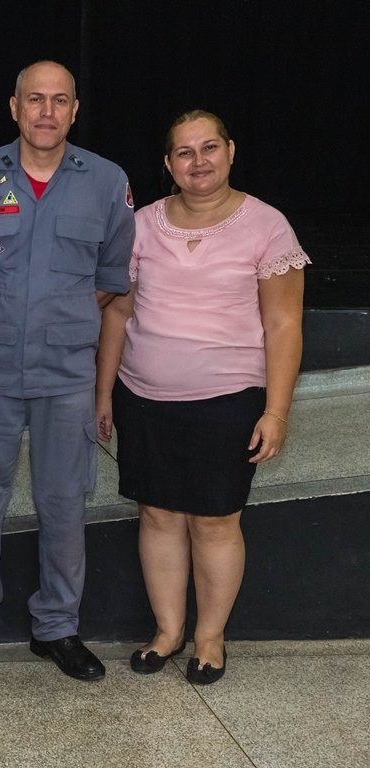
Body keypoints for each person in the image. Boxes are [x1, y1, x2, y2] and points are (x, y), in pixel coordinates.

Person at [0, 61, 135, 684]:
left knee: (65, 502)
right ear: (14, 107)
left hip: (66, 373)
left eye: (60, 100)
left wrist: (59, 315)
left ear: (75, 110)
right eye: (35, 99)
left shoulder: (107, 182)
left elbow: (112, 276)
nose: (47, 111)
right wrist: (7, 318)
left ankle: (58, 628)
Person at [95, 110, 307, 684]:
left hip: (228, 402)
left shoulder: (267, 226)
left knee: (215, 522)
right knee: (158, 514)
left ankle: (210, 637)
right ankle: (168, 631)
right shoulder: (140, 225)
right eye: (184, 152)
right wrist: (104, 392)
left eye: (209, 148)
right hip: (143, 399)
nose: (199, 161)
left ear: (230, 151)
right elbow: (118, 313)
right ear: (168, 164)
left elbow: (284, 325)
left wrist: (276, 411)